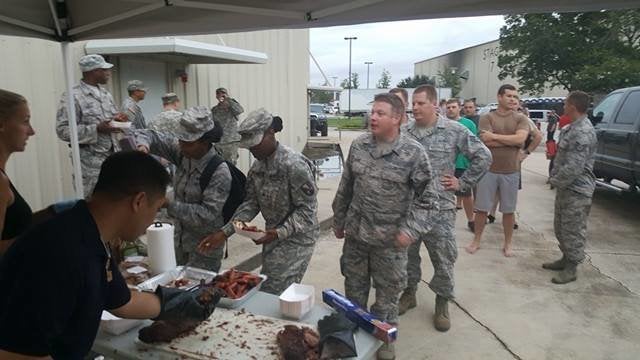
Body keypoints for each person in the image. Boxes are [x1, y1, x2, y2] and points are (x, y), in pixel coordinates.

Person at [0, 151, 216, 359]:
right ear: (138, 201)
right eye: (156, 208)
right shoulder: (61, 252)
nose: (153, 219)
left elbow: (123, 302)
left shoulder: (90, 233)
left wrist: (179, 303)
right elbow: (19, 354)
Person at [331, 93, 440, 359]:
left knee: (387, 298)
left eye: (380, 113)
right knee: (353, 292)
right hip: (356, 237)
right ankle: (352, 336)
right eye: (373, 112)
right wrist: (338, 219)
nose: (373, 117)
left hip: (390, 243)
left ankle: (384, 341)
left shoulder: (413, 153)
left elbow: (429, 201)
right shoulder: (359, 146)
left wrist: (410, 231)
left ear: (398, 118)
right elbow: (346, 186)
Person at [198, 110, 318, 295]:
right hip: (272, 236)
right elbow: (251, 204)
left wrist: (278, 232)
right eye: (249, 147)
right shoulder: (257, 167)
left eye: (255, 144)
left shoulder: (294, 165)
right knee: (268, 287)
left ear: (271, 133)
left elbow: (307, 210)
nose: (253, 150)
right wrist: (224, 233)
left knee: (272, 291)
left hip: (297, 239)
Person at [399, 90, 490, 332]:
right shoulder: (404, 132)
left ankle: (442, 301)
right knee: (407, 256)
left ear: (434, 105)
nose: (415, 108)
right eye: (413, 103)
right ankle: (409, 293)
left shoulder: (454, 130)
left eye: (421, 103)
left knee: (444, 257)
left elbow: (483, 156)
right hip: (410, 209)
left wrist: (462, 183)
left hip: (440, 208)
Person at [136, 106, 231, 272]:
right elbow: (148, 135)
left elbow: (206, 214)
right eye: (180, 140)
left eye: (188, 142)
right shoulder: (182, 152)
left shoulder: (219, 171)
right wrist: (143, 148)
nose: (181, 145)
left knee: (199, 294)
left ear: (205, 142)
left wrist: (168, 204)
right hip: (178, 242)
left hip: (203, 250)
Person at [465, 84, 529, 257]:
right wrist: (512, 141)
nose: (513, 99)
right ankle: (476, 240)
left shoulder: (521, 118)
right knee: (482, 209)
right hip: (488, 170)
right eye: (509, 96)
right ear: (499, 97)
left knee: (508, 211)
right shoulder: (487, 117)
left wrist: (495, 136)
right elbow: (485, 142)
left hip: (511, 171)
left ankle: (508, 243)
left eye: (515, 97)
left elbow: (521, 138)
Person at [543, 91, 597, 284]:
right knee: (561, 227)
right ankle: (565, 258)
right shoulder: (570, 128)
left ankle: (572, 267)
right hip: (566, 189)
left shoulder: (583, 131)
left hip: (577, 190)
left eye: (565, 104)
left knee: (573, 229)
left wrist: (555, 180)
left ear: (573, 106)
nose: (563, 107)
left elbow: (575, 166)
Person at [56, 54, 126, 197]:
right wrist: (96, 129)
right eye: (104, 69)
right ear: (93, 71)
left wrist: (117, 120)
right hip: (90, 165)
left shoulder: (105, 94)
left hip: (113, 159)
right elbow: (63, 130)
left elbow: (109, 119)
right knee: (92, 202)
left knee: (114, 200)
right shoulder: (72, 96)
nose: (108, 73)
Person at [444, 98, 482, 232]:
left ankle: (471, 220)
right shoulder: (441, 124)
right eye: (448, 107)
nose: (450, 110)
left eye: (453, 107)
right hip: (445, 165)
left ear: (459, 108)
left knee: (466, 194)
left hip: (462, 164)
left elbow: (474, 144)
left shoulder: (469, 124)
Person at [211, 87, 244, 164]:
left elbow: (240, 110)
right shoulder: (214, 110)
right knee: (220, 164)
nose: (221, 95)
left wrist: (228, 99)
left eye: (223, 93)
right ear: (216, 96)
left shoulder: (232, 107)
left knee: (231, 165)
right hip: (219, 142)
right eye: (219, 94)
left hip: (231, 142)